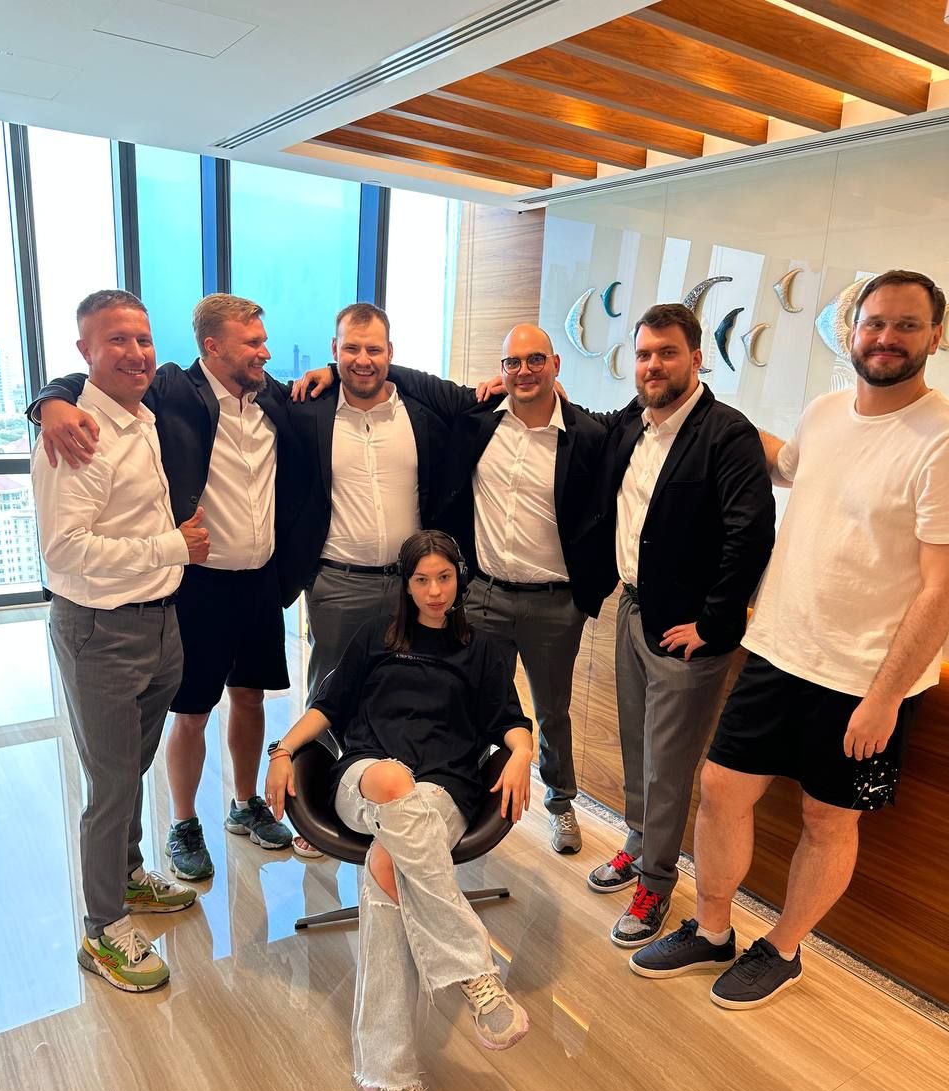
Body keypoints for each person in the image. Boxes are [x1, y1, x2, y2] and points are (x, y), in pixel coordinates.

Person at [631, 270, 949, 1006]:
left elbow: (940, 590)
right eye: (874, 323)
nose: (887, 338)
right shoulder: (826, 412)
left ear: (935, 336)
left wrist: (885, 699)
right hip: (778, 651)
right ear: (852, 331)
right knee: (720, 790)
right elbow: (784, 465)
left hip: (862, 679)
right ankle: (713, 928)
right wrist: (704, 411)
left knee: (827, 818)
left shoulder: (940, 440)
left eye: (906, 325)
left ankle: (782, 948)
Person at [295, 324, 612, 857]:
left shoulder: (587, 433)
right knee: (459, 696)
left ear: (556, 364)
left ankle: (557, 802)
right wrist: (336, 370)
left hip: (555, 602)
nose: (524, 371)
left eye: (536, 361)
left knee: (551, 709)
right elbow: (413, 379)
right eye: (513, 363)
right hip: (483, 594)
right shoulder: (478, 418)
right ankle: (429, 795)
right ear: (501, 369)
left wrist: (592, 587)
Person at [264, 530, 534, 1091]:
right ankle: (473, 969)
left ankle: (389, 1077)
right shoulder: (375, 638)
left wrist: (524, 753)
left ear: (458, 580)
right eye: (422, 579)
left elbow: (510, 721)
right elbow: (327, 706)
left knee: (387, 860)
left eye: (445, 578)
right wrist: (282, 751)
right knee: (391, 781)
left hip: (445, 793)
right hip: (365, 780)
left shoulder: (484, 650)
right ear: (406, 584)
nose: (435, 591)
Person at [31, 294, 302, 879]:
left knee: (250, 696)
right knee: (193, 711)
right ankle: (184, 822)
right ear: (213, 346)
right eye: (253, 343)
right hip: (197, 581)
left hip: (259, 581)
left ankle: (245, 803)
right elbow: (96, 380)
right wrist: (49, 403)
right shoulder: (173, 389)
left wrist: (329, 371)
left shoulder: (271, 398)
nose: (265, 352)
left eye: (263, 341)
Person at [577, 303, 774, 950]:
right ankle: (639, 845)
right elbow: (577, 423)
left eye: (667, 352)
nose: (653, 365)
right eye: (643, 354)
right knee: (638, 748)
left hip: (686, 634)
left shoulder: (727, 434)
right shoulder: (634, 424)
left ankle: (656, 883)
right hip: (633, 609)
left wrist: (714, 624)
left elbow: (751, 535)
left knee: (667, 767)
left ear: (696, 358)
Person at [31, 290, 209, 992]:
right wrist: (173, 547)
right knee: (109, 786)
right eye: (116, 340)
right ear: (85, 352)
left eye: (142, 338)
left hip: (158, 621)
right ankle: (102, 929)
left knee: (130, 770)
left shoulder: (143, 418)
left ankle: (129, 872)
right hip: (100, 630)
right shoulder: (76, 434)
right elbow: (64, 550)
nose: (135, 352)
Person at [276, 302, 462, 853]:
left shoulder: (421, 414)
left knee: (410, 687)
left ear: (391, 354)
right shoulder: (308, 411)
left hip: (412, 585)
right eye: (351, 349)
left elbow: (477, 400)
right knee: (329, 692)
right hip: (338, 581)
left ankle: (401, 793)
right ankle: (316, 807)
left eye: (374, 349)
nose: (363, 359)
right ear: (334, 351)